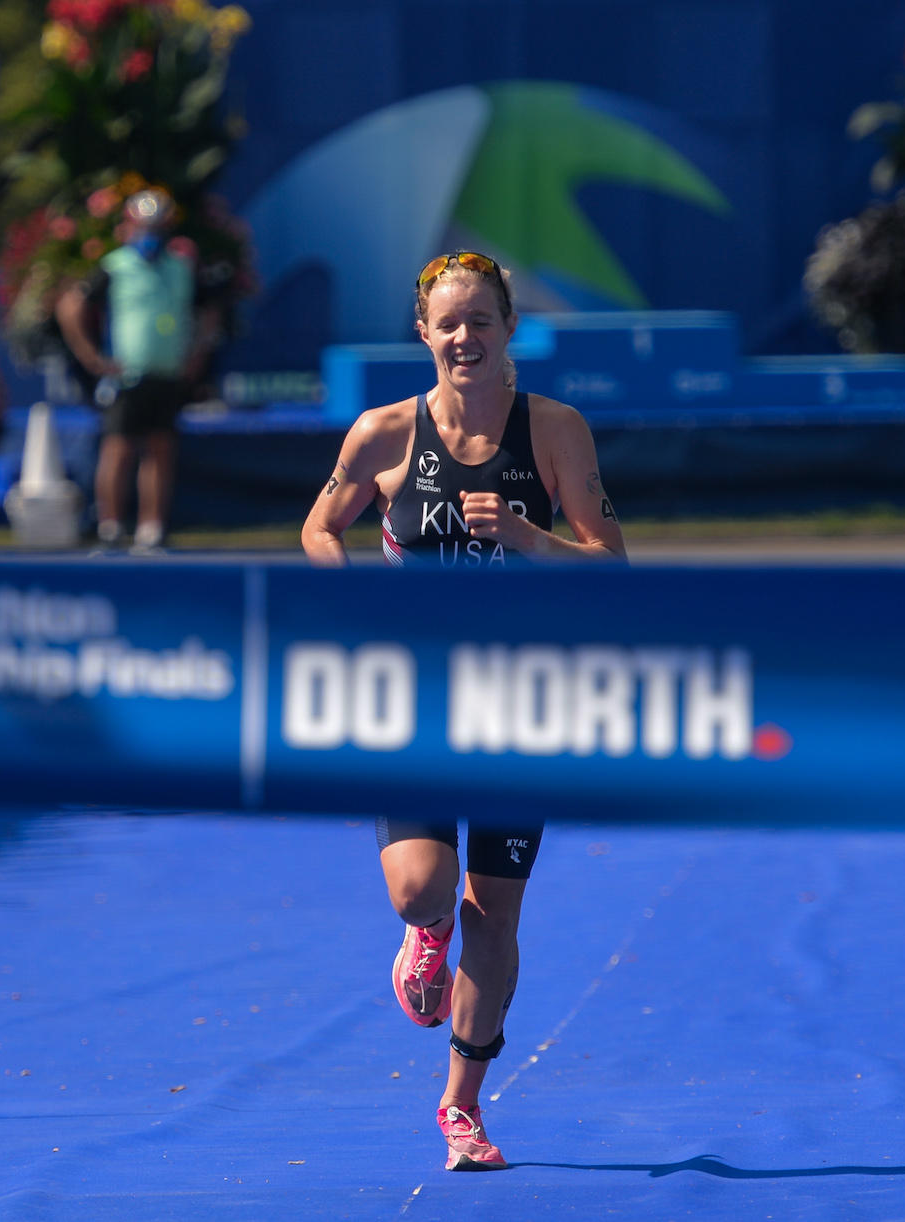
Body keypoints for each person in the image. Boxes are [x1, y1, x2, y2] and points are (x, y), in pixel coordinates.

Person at [300, 251, 625, 1171]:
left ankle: (461, 1107)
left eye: (480, 320)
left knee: (498, 914)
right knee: (421, 887)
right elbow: (320, 526)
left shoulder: (555, 432)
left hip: (523, 705)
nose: (463, 338)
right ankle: (425, 931)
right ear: (422, 332)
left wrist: (528, 538)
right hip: (413, 701)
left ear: (507, 327)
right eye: (447, 322)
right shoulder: (385, 433)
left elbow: (613, 566)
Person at [56, 189, 218, 555]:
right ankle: (111, 527)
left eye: (159, 227)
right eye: (145, 226)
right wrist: (92, 357)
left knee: (160, 449)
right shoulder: (115, 266)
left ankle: (152, 529)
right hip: (127, 375)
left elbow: (209, 311)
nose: (152, 234)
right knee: (119, 448)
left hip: (168, 373)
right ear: (129, 226)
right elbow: (71, 306)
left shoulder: (181, 268)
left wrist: (198, 352)